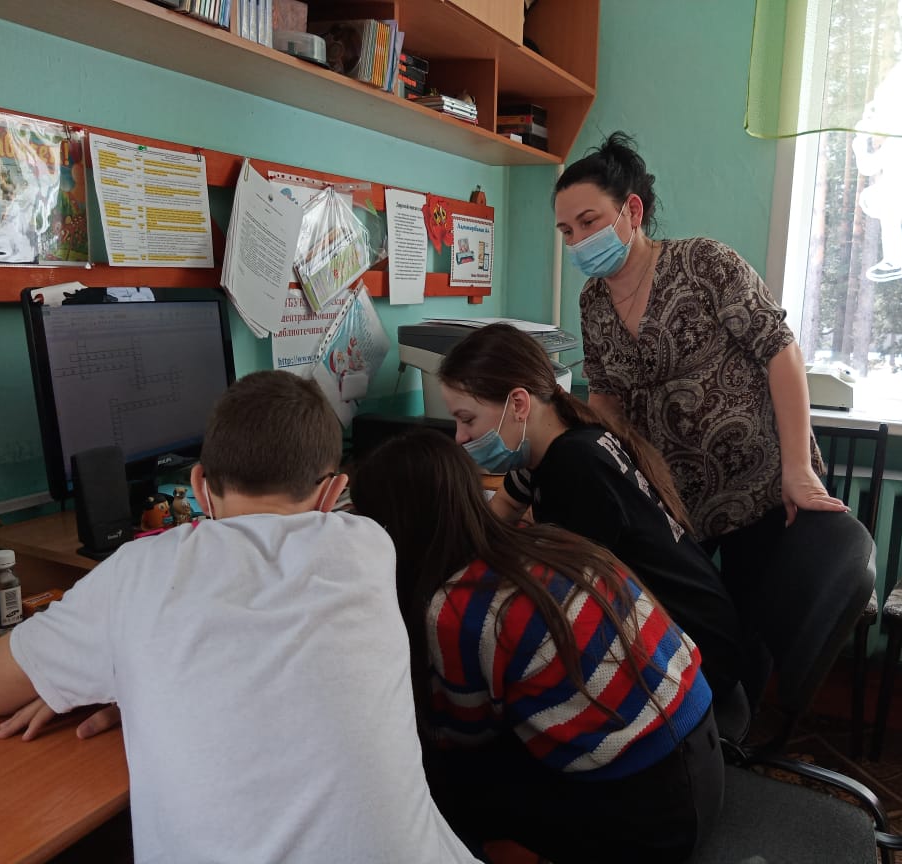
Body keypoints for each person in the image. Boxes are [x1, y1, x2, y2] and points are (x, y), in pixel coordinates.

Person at [0, 371, 478, 864]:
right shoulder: (370, 546)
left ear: (200, 485)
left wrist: (111, 673)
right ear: (333, 493)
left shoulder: (138, 571)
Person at [351, 430, 723, 864]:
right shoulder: (548, 541)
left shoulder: (453, 607)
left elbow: (458, 738)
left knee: (435, 777)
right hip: (704, 756)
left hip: (653, 816)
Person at [553, 132, 853, 667]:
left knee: (757, 637)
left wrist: (798, 468)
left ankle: (740, 719)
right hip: (675, 503)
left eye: (588, 221)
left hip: (758, 487)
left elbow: (780, 351)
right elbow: (606, 397)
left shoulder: (703, 264)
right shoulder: (593, 301)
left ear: (632, 211)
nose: (577, 241)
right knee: (685, 635)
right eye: (567, 231)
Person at [436, 322, 756, 709]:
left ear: (518, 404)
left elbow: (567, 604)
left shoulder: (573, 466)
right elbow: (501, 510)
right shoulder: (556, 443)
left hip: (692, 663)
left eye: (467, 419)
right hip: (700, 637)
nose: (460, 437)